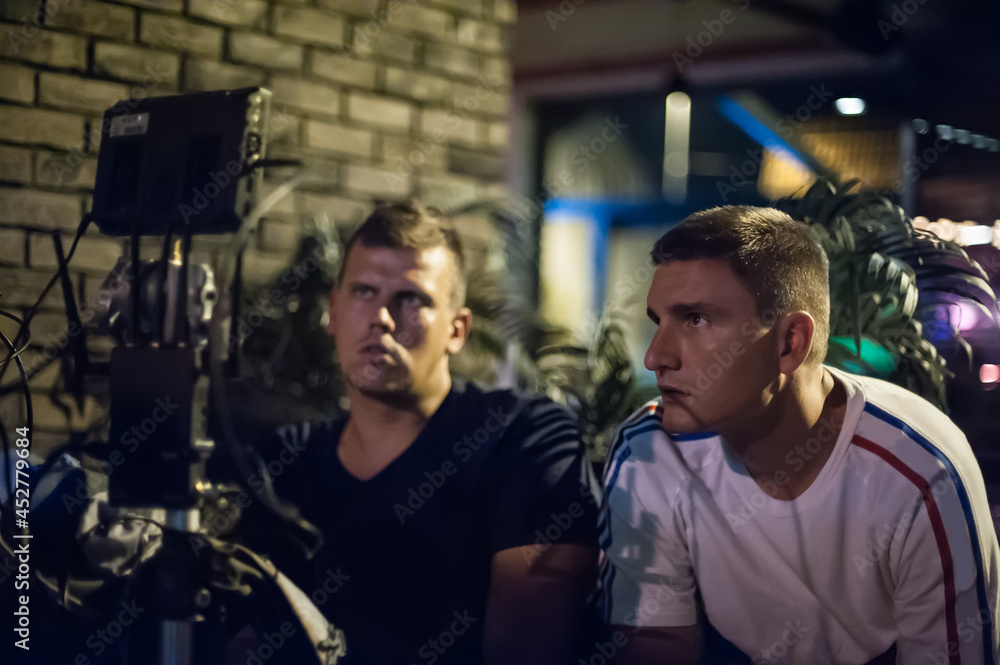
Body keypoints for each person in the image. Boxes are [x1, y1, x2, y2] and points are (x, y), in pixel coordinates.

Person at [598, 205, 1000, 664]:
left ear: (790, 343)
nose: (655, 357)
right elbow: (656, 650)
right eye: (658, 321)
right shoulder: (651, 452)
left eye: (695, 319)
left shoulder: (919, 472)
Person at [243, 200, 599, 665]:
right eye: (364, 291)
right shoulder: (282, 463)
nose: (382, 318)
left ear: (457, 329)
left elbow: (528, 651)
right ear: (333, 311)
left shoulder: (522, 437)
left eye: (412, 299)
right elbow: (243, 640)